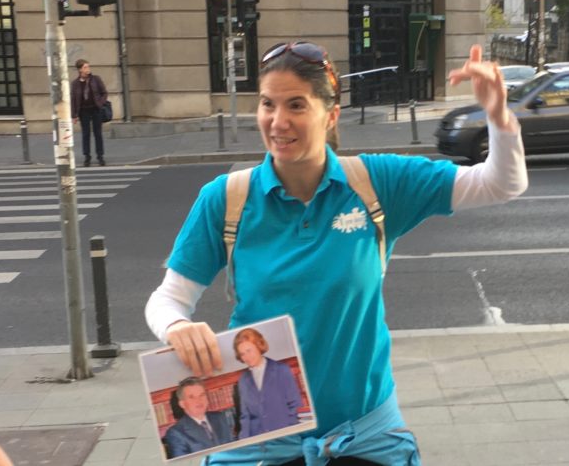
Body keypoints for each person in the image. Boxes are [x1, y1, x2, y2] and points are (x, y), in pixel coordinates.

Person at [145, 41, 527, 465]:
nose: (278, 121)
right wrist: (177, 326)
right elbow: (168, 298)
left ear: (330, 116)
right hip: (262, 436)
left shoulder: (377, 181)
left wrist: (498, 115)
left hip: (364, 434)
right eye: (267, 104)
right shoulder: (226, 198)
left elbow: (500, 184)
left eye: (296, 105)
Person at [233, 328, 302, 439]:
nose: (246, 357)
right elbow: (245, 416)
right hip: (258, 441)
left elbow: (295, 405)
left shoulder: (281, 370)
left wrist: (289, 432)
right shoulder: (243, 380)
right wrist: (244, 442)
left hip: (285, 437)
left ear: (259, 346)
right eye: (242, 354)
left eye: (249, 350)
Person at [163, 377, 235, 457]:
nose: (199, 400)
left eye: (202, 395)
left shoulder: (220, 417)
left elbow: (235, 448)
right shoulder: (176, 433)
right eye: (191, 397)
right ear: (182, 404)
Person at [70, 58, 108, 167]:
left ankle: (100, 156)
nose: (88, 69)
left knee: (98, 133)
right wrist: (74, 115)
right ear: (80, 70)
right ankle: (87, 157)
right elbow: (73, 99)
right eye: (85, 67)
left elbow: (104, 93)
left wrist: (100, 103)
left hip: (96, 109)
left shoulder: (96, 79)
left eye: (88, 67)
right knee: (85, 134)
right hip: (83, 111)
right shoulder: (75, 83)